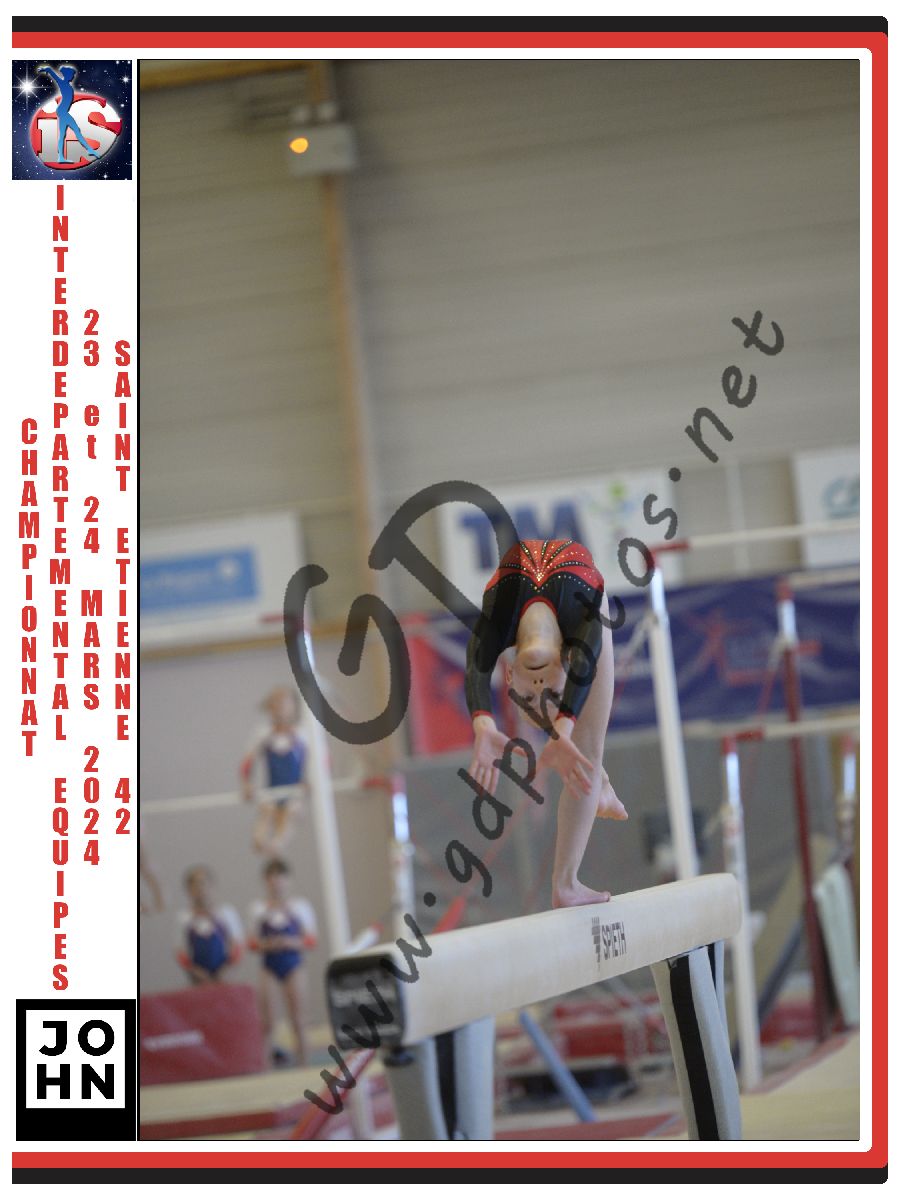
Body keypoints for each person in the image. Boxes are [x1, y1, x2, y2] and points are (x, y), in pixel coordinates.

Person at [465, 537, 627, 909]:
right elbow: (475, 670)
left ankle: (565, 884)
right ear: (507, 674)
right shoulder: (498, 615)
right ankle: (598, 782)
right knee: (576, 748)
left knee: (588, 747)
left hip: (583, 590)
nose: (540, 700)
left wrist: (566, 732)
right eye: (529, 697)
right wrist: (483, 726)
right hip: (542, 581)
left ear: (568, 666)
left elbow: (582, 678)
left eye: (551, 693)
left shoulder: (586, 623)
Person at [247, 859, 317, 1066]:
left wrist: (290, 942)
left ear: (288, 880)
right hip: (269, 966)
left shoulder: (300, 907)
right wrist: (267, 945)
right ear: (265, 881)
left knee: (299, 1020)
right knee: (267, 1022)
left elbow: (311, 940)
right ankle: (266, 1068)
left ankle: (304, 1065)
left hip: (293, 965)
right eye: (272, 878)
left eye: (280, 877)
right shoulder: (257, 909)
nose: (276, 882)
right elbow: (250, 943)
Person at [239, 687, 308, 855]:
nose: (279, 706)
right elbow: (247, 763)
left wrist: (310, 781)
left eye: (284, 702)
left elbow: (319, 763)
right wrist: (246, 784)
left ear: (294, 706)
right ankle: (261, 841)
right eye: (275, 702)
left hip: (294, 791)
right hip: (271, 789)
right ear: (269, 707)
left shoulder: (303, 734)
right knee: (264, 820)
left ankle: (277, 843)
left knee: (288, 814)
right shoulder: (262, 733)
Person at [174, 865, 243, 986]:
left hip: (225, 976)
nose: (200, 888)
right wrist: (195, 971)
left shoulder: (226, 913)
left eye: (203, 883)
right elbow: (180, 951)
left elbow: (237, 945)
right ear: (189, 890)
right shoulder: (183, 918)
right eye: (195, 884)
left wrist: (227, 970)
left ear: (212, 885)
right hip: (197, 978)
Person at [35, 64, 101, 162]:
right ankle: (89, 150)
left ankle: (61, 158)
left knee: (63, 134)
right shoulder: (62, 83)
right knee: (76, 130)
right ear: (67, 75)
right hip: (62, 111)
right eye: (72, 74)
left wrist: (47, 69)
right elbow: (53, 74)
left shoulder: (67, 85)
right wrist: (46, 69)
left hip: (63, 111)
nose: (73, 76)